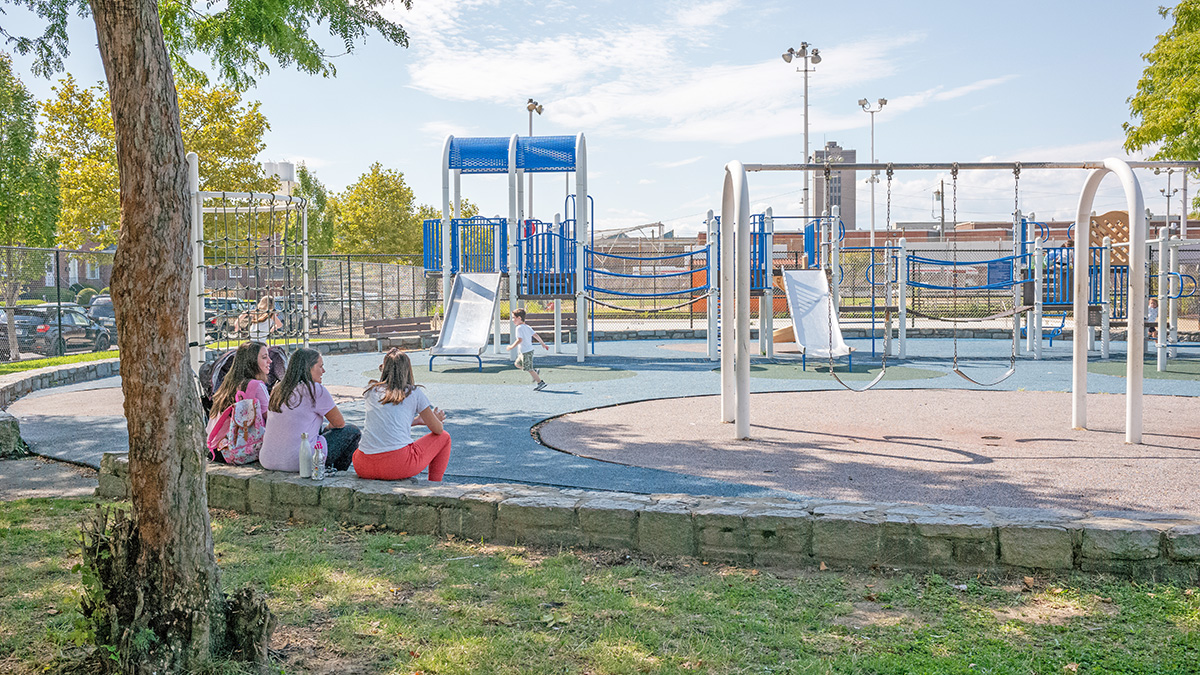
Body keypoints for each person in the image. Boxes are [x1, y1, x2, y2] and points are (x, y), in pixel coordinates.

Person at [352, 348, 451, 481]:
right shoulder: (414, 393)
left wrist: (416, 421)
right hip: (396, 465)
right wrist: (437, 420)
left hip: (363, 465)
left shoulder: (371, 390)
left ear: (384, 368)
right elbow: (438, 429)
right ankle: (435, 483)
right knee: (444, 437)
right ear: (408, 370)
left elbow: (387, 421)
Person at [259, 347, 360, 472]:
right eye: (320, 366)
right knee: (352, 431)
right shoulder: (315, 389)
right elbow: (339, 423)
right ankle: (336, 473)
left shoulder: (278, 389)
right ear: (309, 368)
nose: (324, 371)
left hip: (268, 460)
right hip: (300, 461)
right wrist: (328, 429)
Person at [206, 341, 271, 461]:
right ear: (252, 362)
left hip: (216, 450)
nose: (270, 361)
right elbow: (272, 418)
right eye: (264, 357)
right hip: (236, 450)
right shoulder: (256, 385)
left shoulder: (229, 383)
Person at [506, 308, 549, 390]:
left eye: (514, 318)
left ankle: (540, 382)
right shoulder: (527, 327)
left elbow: (520, 340)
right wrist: (542, 343)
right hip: (525, 351)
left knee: (528, 368)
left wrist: (511, 347)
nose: (512, 320)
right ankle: (535, 372)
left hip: (526, 352)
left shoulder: (519, 328)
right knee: (517, 364)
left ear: (519, 318)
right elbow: (535, 335)